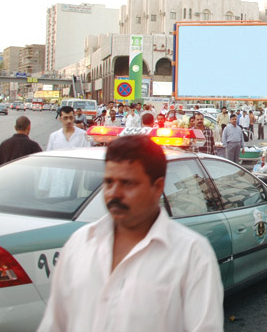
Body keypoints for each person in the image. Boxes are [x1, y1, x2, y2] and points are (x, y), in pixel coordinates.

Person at [37, 135, 224, 332]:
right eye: (108, 182)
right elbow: (54, 324)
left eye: (128, 183)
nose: (114, 193)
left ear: (158, 187)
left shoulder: (191, 254)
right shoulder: (80, 243)